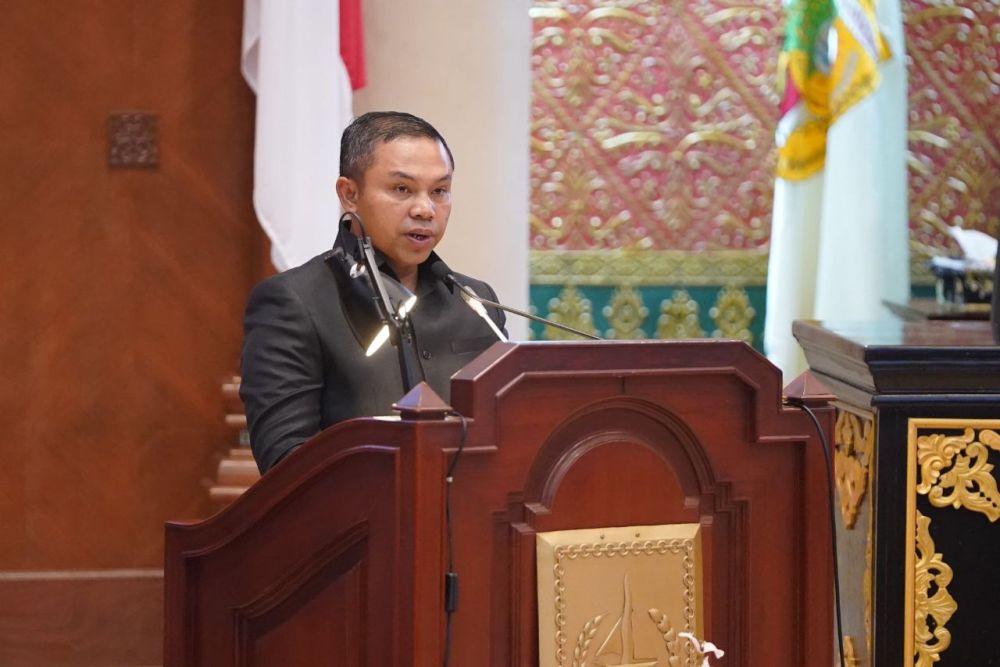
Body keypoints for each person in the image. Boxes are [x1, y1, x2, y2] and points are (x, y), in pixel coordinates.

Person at [240, 112, 506, 473]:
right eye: (402, 189)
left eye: (439, 191)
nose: (425, 209)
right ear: (349, 194)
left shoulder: (475, 301)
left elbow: (507, 435)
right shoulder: (293, 302)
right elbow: (286, 464)